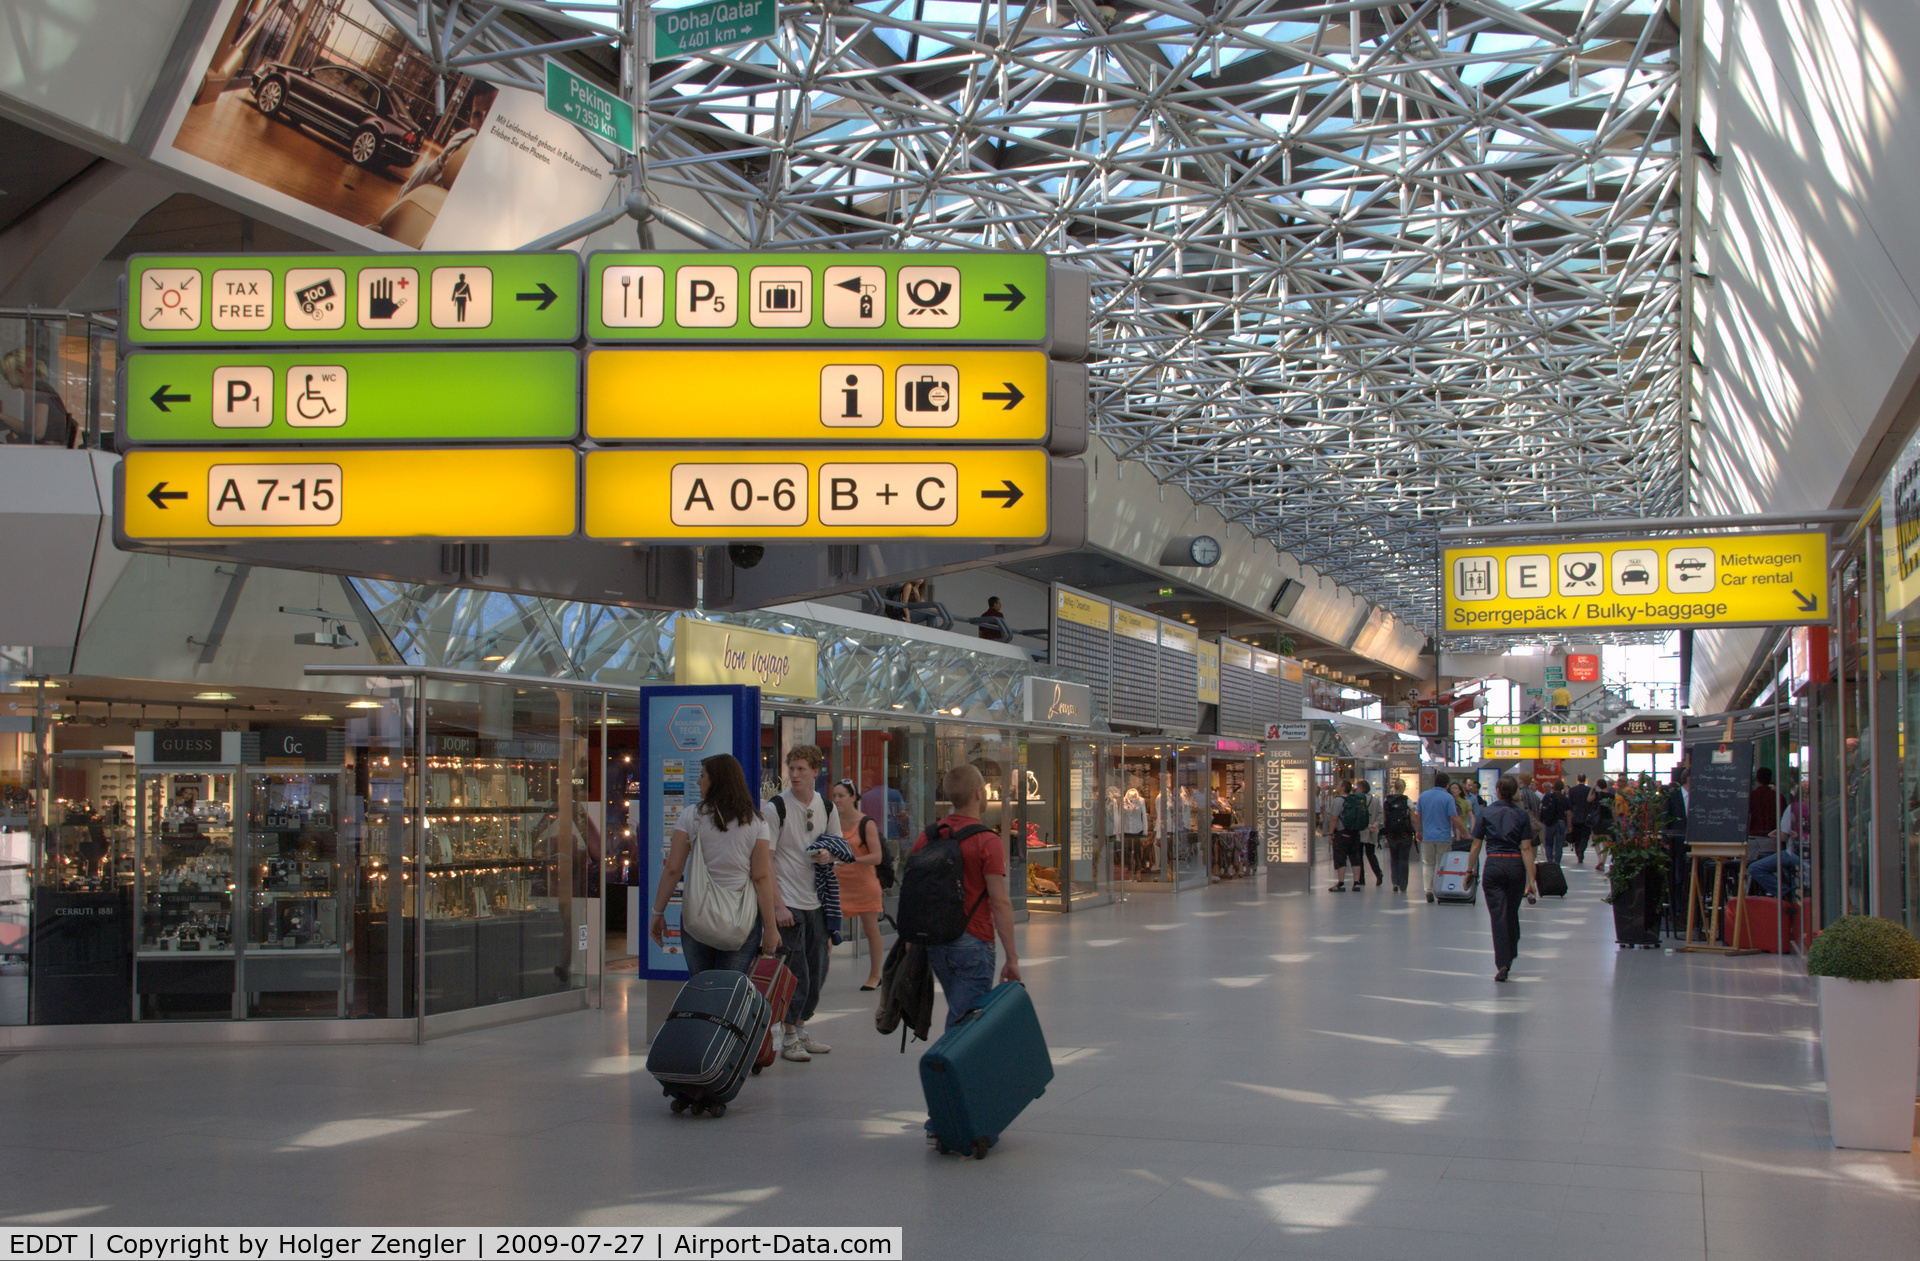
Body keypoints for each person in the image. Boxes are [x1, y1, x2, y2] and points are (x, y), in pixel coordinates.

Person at [913, 763, 1022, 1144]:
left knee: (960, 1018)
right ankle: (944, 1118)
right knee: (962, 1029)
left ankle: (956, 1111)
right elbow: (1000, 902)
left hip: (937, 943)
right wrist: (1012, 956)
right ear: (979, 793)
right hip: (974, 943)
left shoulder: (927, 838)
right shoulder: (987, 841)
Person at [649, 754, 783, 973]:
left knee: (700, 989)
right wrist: (770, 927)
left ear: (717, 781)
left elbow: (673, 869)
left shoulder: (691, 817)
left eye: (703, 776)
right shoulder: (756, 822)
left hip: (698, 916)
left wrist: (658, 912)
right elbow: (760, 877)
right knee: (730, 993)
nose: (698, 781)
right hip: (741, 919)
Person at [763, 743, 837, 1062]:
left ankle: (801, 1027)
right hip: (789, 900)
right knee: (796, 972)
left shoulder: (827, 807)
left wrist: (828, 854)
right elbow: (765, 861)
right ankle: (788, 1034)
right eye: (790, 768)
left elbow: (839, 847)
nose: (793, 774)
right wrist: (777, 905)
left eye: (800, 769)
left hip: (816, 901)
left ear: (815, 772)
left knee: (818, 969)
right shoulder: (775, 808)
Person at [1468, 774, 1539, 982]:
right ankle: (1511, 949)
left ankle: (1502, 962)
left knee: (1497, 915)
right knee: (1511, 912)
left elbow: (1476, 844)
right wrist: (1531, 880)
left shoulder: (1486, 813)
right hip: (1515, 865)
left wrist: (1469, 870)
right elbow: (1526, 848)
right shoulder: (1522, 815)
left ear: (1497, 790)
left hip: (1494, 865)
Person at [829, 778, 886, 990]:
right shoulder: (831, 823)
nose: (837, 800)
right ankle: (819, 976)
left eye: (841, 795)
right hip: (837, 886)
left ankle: (874, 975)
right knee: (827, 931)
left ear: (853, 797)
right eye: (834, 796)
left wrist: (852, 860)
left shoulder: (866, 823)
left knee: (871, 930)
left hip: (864, 886)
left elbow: (877, 857)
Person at [1414, 771, 1462, 903]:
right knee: (1443, 865)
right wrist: (1465, 832)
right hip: (1443, 836)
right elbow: (1453, 817)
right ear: (1447, 784)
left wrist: (1418, 831)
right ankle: (1441, 889)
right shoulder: (1448, 798)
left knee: (1428, 864)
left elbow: (1418, 815)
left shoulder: (1423, 796)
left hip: (1427, 836)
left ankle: (1428, 890)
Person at [1328, 779, 1369, 892]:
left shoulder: (1337, 801)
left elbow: (1334, 818)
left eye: (1339, 784)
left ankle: (1341, 883)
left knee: (1340, 858)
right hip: (1355, 833)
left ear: (1343, 788)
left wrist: (1331, 833)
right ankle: (1356, 882)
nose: (1336, 786)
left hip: (1342, 833)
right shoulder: (1354, 800)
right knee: (1355, 858)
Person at [1380, 777, 1415, 893]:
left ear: (1394, 787)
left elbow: (1384, 817)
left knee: (1394, 858)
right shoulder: (1407, 801)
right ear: (1404, 788)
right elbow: (1413, 818)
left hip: (1391, 835)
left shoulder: (1387, 800)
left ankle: (1394, 882)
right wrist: (1415, 830)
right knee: (1404, 860)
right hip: (1405, 835)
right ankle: (1403, 885)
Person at [1356, 779, 1385, 888]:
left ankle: (1361, 878)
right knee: (1370, 853)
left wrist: (1367, 825)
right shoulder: (1375, 800)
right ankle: (1378, 873)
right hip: (1373, 830)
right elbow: (1380, 813)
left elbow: (1358, 816)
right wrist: (1375, 824)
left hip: (1361, 830)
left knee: (1359, 855)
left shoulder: (1358, 800)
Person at [1539, 779, 1568, 866]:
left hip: (1550, 823)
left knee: (1548, 843)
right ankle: (1557, 863)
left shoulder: (1547, 796)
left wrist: (1543, 819)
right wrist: (1569, 825)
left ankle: (1550, 861)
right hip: (1561, 823)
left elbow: (1541, 808)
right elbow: (1569, 813)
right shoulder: (1564, 798)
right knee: (1559, 845)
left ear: (1553, 787)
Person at [1567, 773, 1593, 865]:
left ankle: (1578, 851)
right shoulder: (1589, 790)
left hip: (1575, 816)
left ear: (1577, 779)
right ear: (1585, 779)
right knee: (1585, 836)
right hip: (1586, 817)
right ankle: (1582, 849)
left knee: (1577, 836)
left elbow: (1570, 804)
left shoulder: (1572, 790)